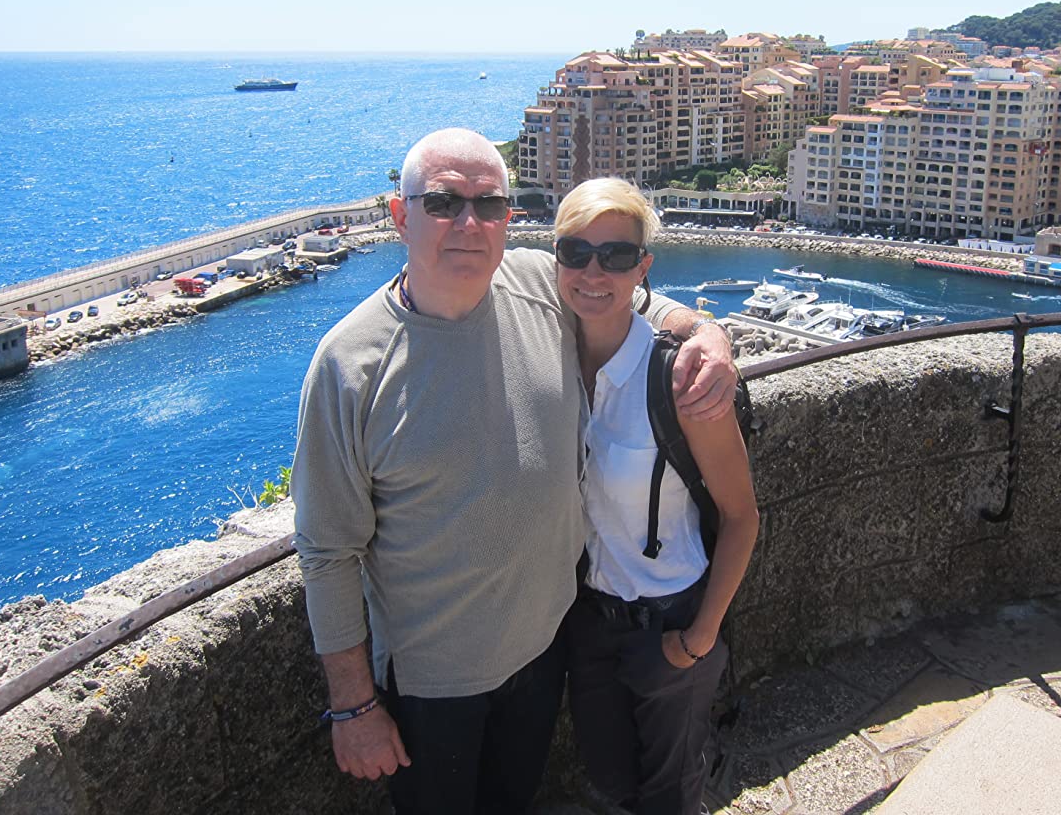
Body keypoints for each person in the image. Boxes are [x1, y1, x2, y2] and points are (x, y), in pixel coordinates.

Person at [290, 129, 736, 815]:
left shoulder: (535, 281)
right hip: (433, 682)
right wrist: (353, 706)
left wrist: (707, 333)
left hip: (546, 649)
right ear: (400, 216)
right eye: (444, 203)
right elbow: (327, 551)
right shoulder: (350, 364)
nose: (469, 223)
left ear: (508, 218)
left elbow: (622, 292)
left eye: (489, 205)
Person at [554, 179, 759, 815]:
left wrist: (697, 640)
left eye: (615, 256)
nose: (594, 272)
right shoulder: (552, 359)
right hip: (590, 622)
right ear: (556, 259)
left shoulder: (678, 379)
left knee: (670, 792)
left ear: (642, 267)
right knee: (609, 777)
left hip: (668, 621)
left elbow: (741, 517)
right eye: (576, 252)